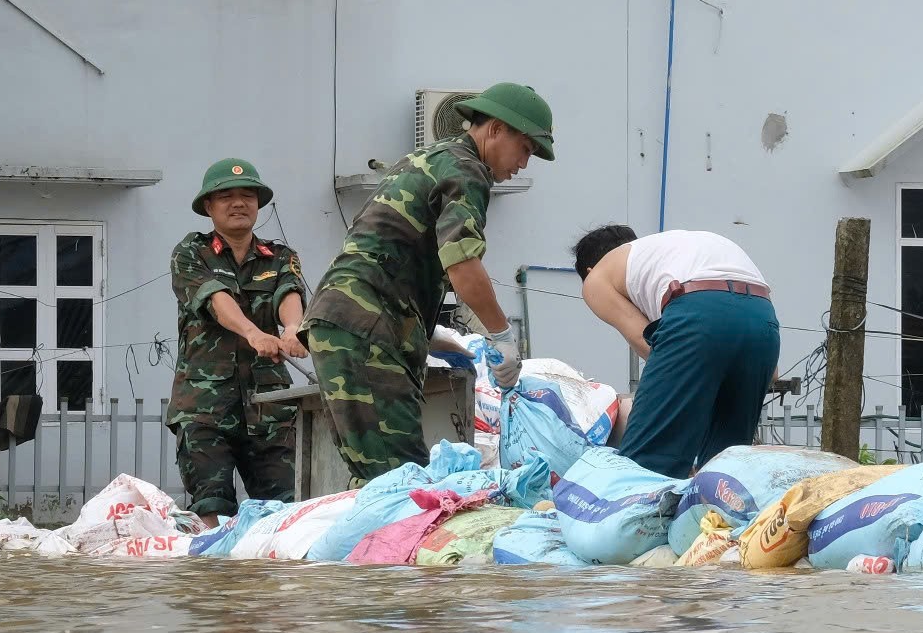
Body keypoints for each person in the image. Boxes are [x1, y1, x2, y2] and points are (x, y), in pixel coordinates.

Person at [304, 82, 553, 485]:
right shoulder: (466, 169)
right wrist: (502, 335)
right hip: (369, 325)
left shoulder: (427, 158)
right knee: (402, 480)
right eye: (525, 148)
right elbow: (463, 262)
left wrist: (426, 331)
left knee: (379, 474)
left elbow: (388, 247)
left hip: (354, 319)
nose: (524, 163)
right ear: (495, 129)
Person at [573, 224, 780, 479]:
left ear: (588, 270)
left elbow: (650, 345)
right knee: (725, 470)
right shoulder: (670, 250)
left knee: (646, 466)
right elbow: (772, 374)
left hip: (698, 312)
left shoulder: (597, 278)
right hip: (761, 317)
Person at [168, 159, 308, 524]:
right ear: (209, 206)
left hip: (269, 403)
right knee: (211, 503)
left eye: (248, 195)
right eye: (226, 196)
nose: (238, 203)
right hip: (205, 404)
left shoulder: (280, 257)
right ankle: (216, 562)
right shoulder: (192, 253)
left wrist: (292, 328)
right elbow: (214, 298)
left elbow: (289, 292)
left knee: (285, 507)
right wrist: (253, 332)